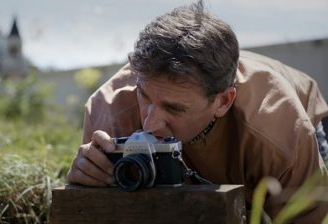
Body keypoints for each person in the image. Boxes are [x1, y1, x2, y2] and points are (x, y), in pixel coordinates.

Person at [66, 1, 328, 223]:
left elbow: (307, 218)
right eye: (143, 97)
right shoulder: (109, 112)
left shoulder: (278, 132)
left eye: (174, 108)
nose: (149, 124)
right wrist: (84, 183)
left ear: (223, 101)